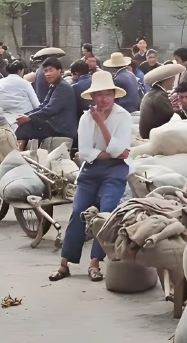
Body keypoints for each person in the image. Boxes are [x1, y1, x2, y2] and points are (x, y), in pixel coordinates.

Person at [49, 71, 131, 283]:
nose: (104, 99)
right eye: (99, 94)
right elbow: (85, 152)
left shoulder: (123, 116)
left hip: (115, 170)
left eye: (108, 94)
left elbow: (121, 154)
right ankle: (65, 263)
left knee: (106, 213)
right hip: (91, 170)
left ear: (114, 95)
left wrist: (101, 124)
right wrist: (111, 152)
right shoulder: (86, 118)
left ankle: (95, 263)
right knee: (78, 211)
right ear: (93, 97)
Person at [15, 57, 77, 145]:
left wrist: (29, 118)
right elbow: (43, 105)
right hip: (54, 125)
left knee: (27, 127)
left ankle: (18, 150)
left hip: (62, 128)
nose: (47, 74)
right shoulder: (54, 86)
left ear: (59, 71)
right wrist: (26, 115)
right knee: (26, 124)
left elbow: (51, 109)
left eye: (51, 70)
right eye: (45, 71)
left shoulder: (63, 87)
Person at [0, 61, 39, 128]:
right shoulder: (25, 83)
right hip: (21, 117)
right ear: (20, 70)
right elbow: (36, 103)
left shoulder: (0, 82)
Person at [138, 63, 185, 139]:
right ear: (167, 80)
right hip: (151, 136)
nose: (173, 83)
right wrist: (183, 111)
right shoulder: (159, 96)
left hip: (148, 133)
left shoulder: (153, 93)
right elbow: (169, 115)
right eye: (173, 79)